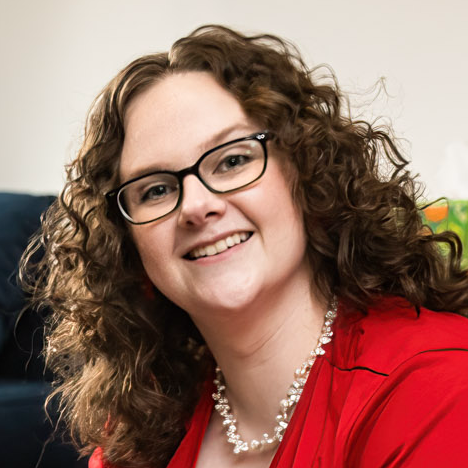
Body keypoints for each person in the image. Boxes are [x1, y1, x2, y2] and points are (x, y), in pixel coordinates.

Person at [21, 25, 468, 468]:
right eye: (155, 190)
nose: (196, 207)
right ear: (128, 248)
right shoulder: (135, 440)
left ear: (308, 173)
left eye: (232, 160)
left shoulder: (436, 387)